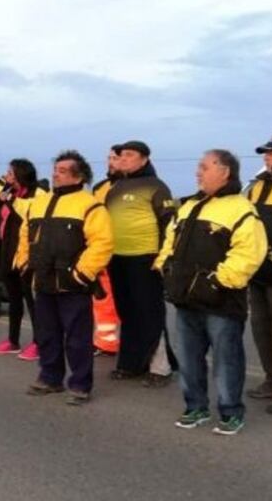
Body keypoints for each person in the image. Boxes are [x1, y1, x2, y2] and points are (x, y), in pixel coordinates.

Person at [155, 150, 267, 435]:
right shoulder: (189, 206)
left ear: (225, 171)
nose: (198, 172)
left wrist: (218, 282)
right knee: (189, 357)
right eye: (198, 167)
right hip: (185, 298)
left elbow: (249, 253)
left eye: (204, 167)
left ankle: (231, 412)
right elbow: (170, 240)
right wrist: (164, 267)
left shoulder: (240, 209)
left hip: (222, 301)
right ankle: (196, 407)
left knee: (226, 359)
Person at [17, 151, 114, 404]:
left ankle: (80, 385)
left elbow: (102, 243)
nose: (54, 174)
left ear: (78, 175)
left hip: (73, 284)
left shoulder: (90, 205)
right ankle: (50, 378)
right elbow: (26, 235)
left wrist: (82, 274)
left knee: (77, 339)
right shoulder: (39, 203)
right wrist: (24, 262)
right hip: (44, 280)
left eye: (61, 170)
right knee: (47, 334)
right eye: (55, 169)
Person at [105, 141, 177, 386]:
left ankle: (160, 368)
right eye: (121, 155)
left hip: (146, 259)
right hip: (118, 259)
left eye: (129, 154)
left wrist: (163, 259)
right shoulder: (116, 187)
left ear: (144, 159)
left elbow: (169, 225)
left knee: (150, 313)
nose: (123, 159)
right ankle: (131, 363)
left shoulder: (156, 186)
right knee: (127, 312)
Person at [0, 159, 47, 360]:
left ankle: (39, 342)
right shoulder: (8, 193)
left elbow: (31, 215)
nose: (7, 176)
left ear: (21, 174)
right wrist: (1, 196)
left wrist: (11, 201)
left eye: (11, 173)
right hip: (6, 250)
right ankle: (13, 340)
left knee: (32, 300)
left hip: (25, 254)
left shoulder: (38, 194)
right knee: (14, 299)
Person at [246, 136, 272, 401]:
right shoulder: (257, 187)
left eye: (271, 153)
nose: (267, 157)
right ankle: (271, 379)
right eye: (266, 153)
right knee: (261, 329)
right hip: (259, 272)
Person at [91, 148, 123, 357]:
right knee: (103, 299)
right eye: (109, 158)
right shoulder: (100, 188)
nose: (111, 162)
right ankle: (106, 343)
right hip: (103, 251)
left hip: (128, 251)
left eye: (115, 158)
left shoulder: (133, 187)